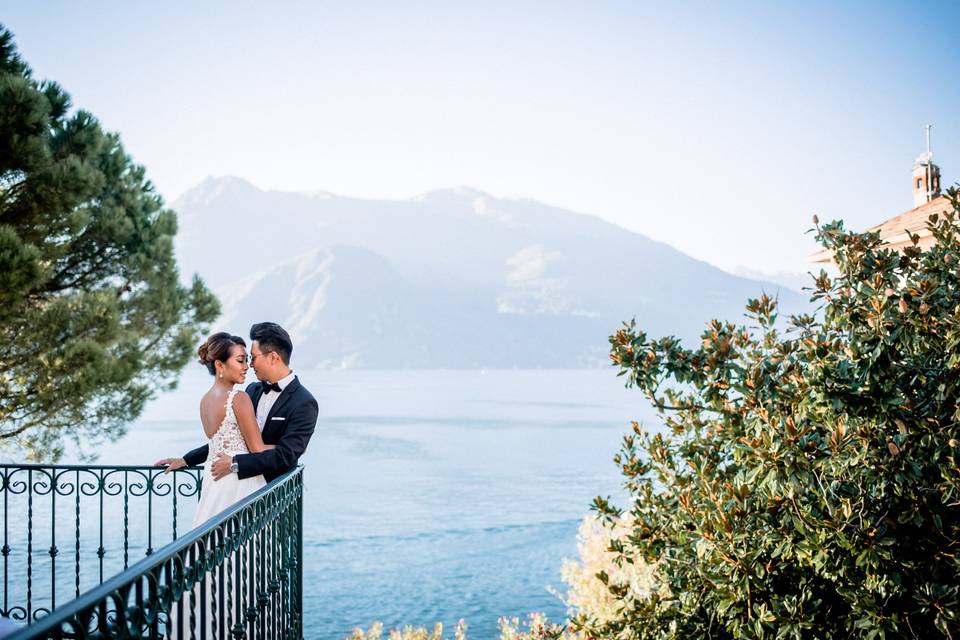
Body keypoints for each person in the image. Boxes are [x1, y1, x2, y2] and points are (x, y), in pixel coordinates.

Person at [156, 322, 319, 489]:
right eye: (246, 359)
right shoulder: (252, 390)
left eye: (253, 358)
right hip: (238, 487)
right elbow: (232, 439)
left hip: (275, 497)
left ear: (273, 357)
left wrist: (235, 463)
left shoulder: (304, 403)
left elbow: (284, 456)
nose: (250, 365)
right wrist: (187, 459)